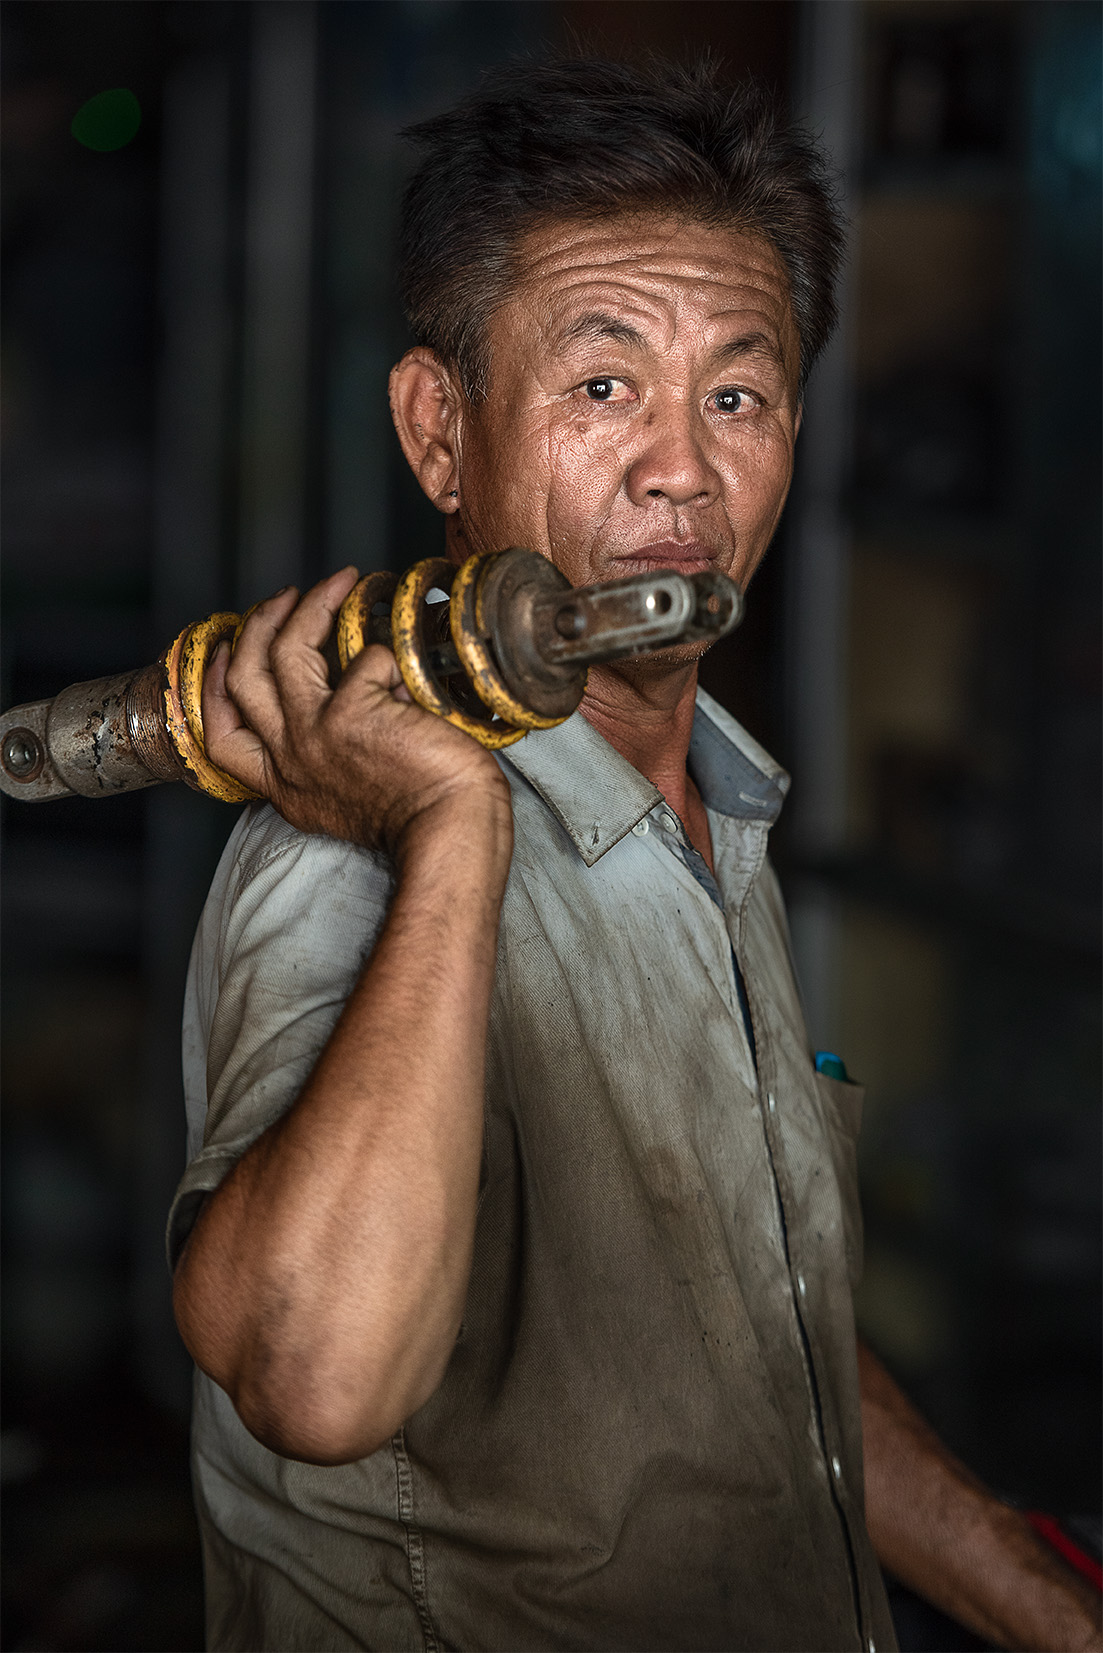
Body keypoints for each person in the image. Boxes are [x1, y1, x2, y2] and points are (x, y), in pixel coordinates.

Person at [169, 58, 1102, 1653]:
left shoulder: (716, 817)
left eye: (736, 394)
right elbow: (313, 1379)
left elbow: (753, 1347)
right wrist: (453, 826)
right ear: (437, 430)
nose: (684, 469)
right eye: (604, 388)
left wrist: (1053, 1614)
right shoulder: (349, 850)